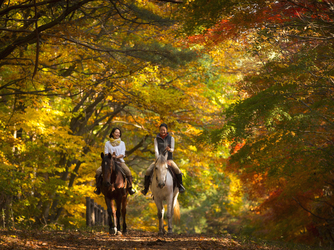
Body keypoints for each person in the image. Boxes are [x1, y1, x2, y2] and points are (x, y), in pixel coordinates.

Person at [141, 123, 185, 195]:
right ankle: (146, 188)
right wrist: (158, 159)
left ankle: (180, 186)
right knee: (148, 170)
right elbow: (156, 150)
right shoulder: (156, 139)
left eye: (164, 130)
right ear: (159, 130)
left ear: (166, 130)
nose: (163, 131)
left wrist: (169, 149)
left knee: (177, 170)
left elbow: (173, 149)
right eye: (161, 130)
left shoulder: (171, 138)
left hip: (169, 159)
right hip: (158, 159)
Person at [94, 127, 136, 195]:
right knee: (98, 171)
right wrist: (111, 157)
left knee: (128, 171)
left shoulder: (122, 143)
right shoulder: (107, 143)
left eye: (119, 133)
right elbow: (106, 153)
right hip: (109, 162)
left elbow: (122, 154)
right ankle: (98, 188)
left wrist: (115, 157)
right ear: (112, 133)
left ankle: (130, 188)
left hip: (119, 161)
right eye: (116, 132)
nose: (118, 134)